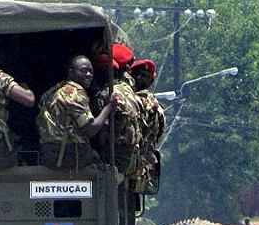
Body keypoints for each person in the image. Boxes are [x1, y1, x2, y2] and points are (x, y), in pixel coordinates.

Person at [37, 55, 115, 171]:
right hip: (70, 155)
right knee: (101, 159)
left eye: (91, 71)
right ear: (71, 72)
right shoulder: (75, 93)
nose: (88, 75)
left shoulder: (53, 91)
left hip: (48, 154)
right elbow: (90, 130)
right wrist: (109, 107)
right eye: (83, 71)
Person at [91, 44, 143, 179]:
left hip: (114, 159)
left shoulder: (105, 95)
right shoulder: (128, 91)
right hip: (131, 159)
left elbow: (101, 133)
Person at [128, 59, 165, 193]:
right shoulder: (155, 105)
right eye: (137, 74)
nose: (139, 78)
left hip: (136, 163)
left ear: (151, 81)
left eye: (144, 75)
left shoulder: (137, 103)